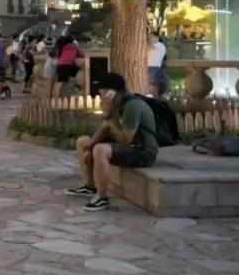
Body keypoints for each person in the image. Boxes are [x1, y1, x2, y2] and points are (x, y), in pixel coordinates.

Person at [68, 72, 159, 211]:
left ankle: (102, 197)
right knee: (83, 142)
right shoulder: (116, 104)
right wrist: (89, 146)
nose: (101, 96)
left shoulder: (132, 106)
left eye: (102, 93)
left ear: (112, 92)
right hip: (129, 146)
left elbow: (126, 140)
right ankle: (89, 186)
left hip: (143, 152)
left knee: (100, 149)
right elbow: (105, 129)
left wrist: (107, 116)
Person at [147, 32, 167, 97]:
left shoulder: (159, 45)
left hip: (153, 68)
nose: (149, 38)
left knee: (150, 84)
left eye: (151, 36)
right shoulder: (156, 45)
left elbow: (149, 48)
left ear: (157, 37)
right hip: (151, 68)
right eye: (148, 37)